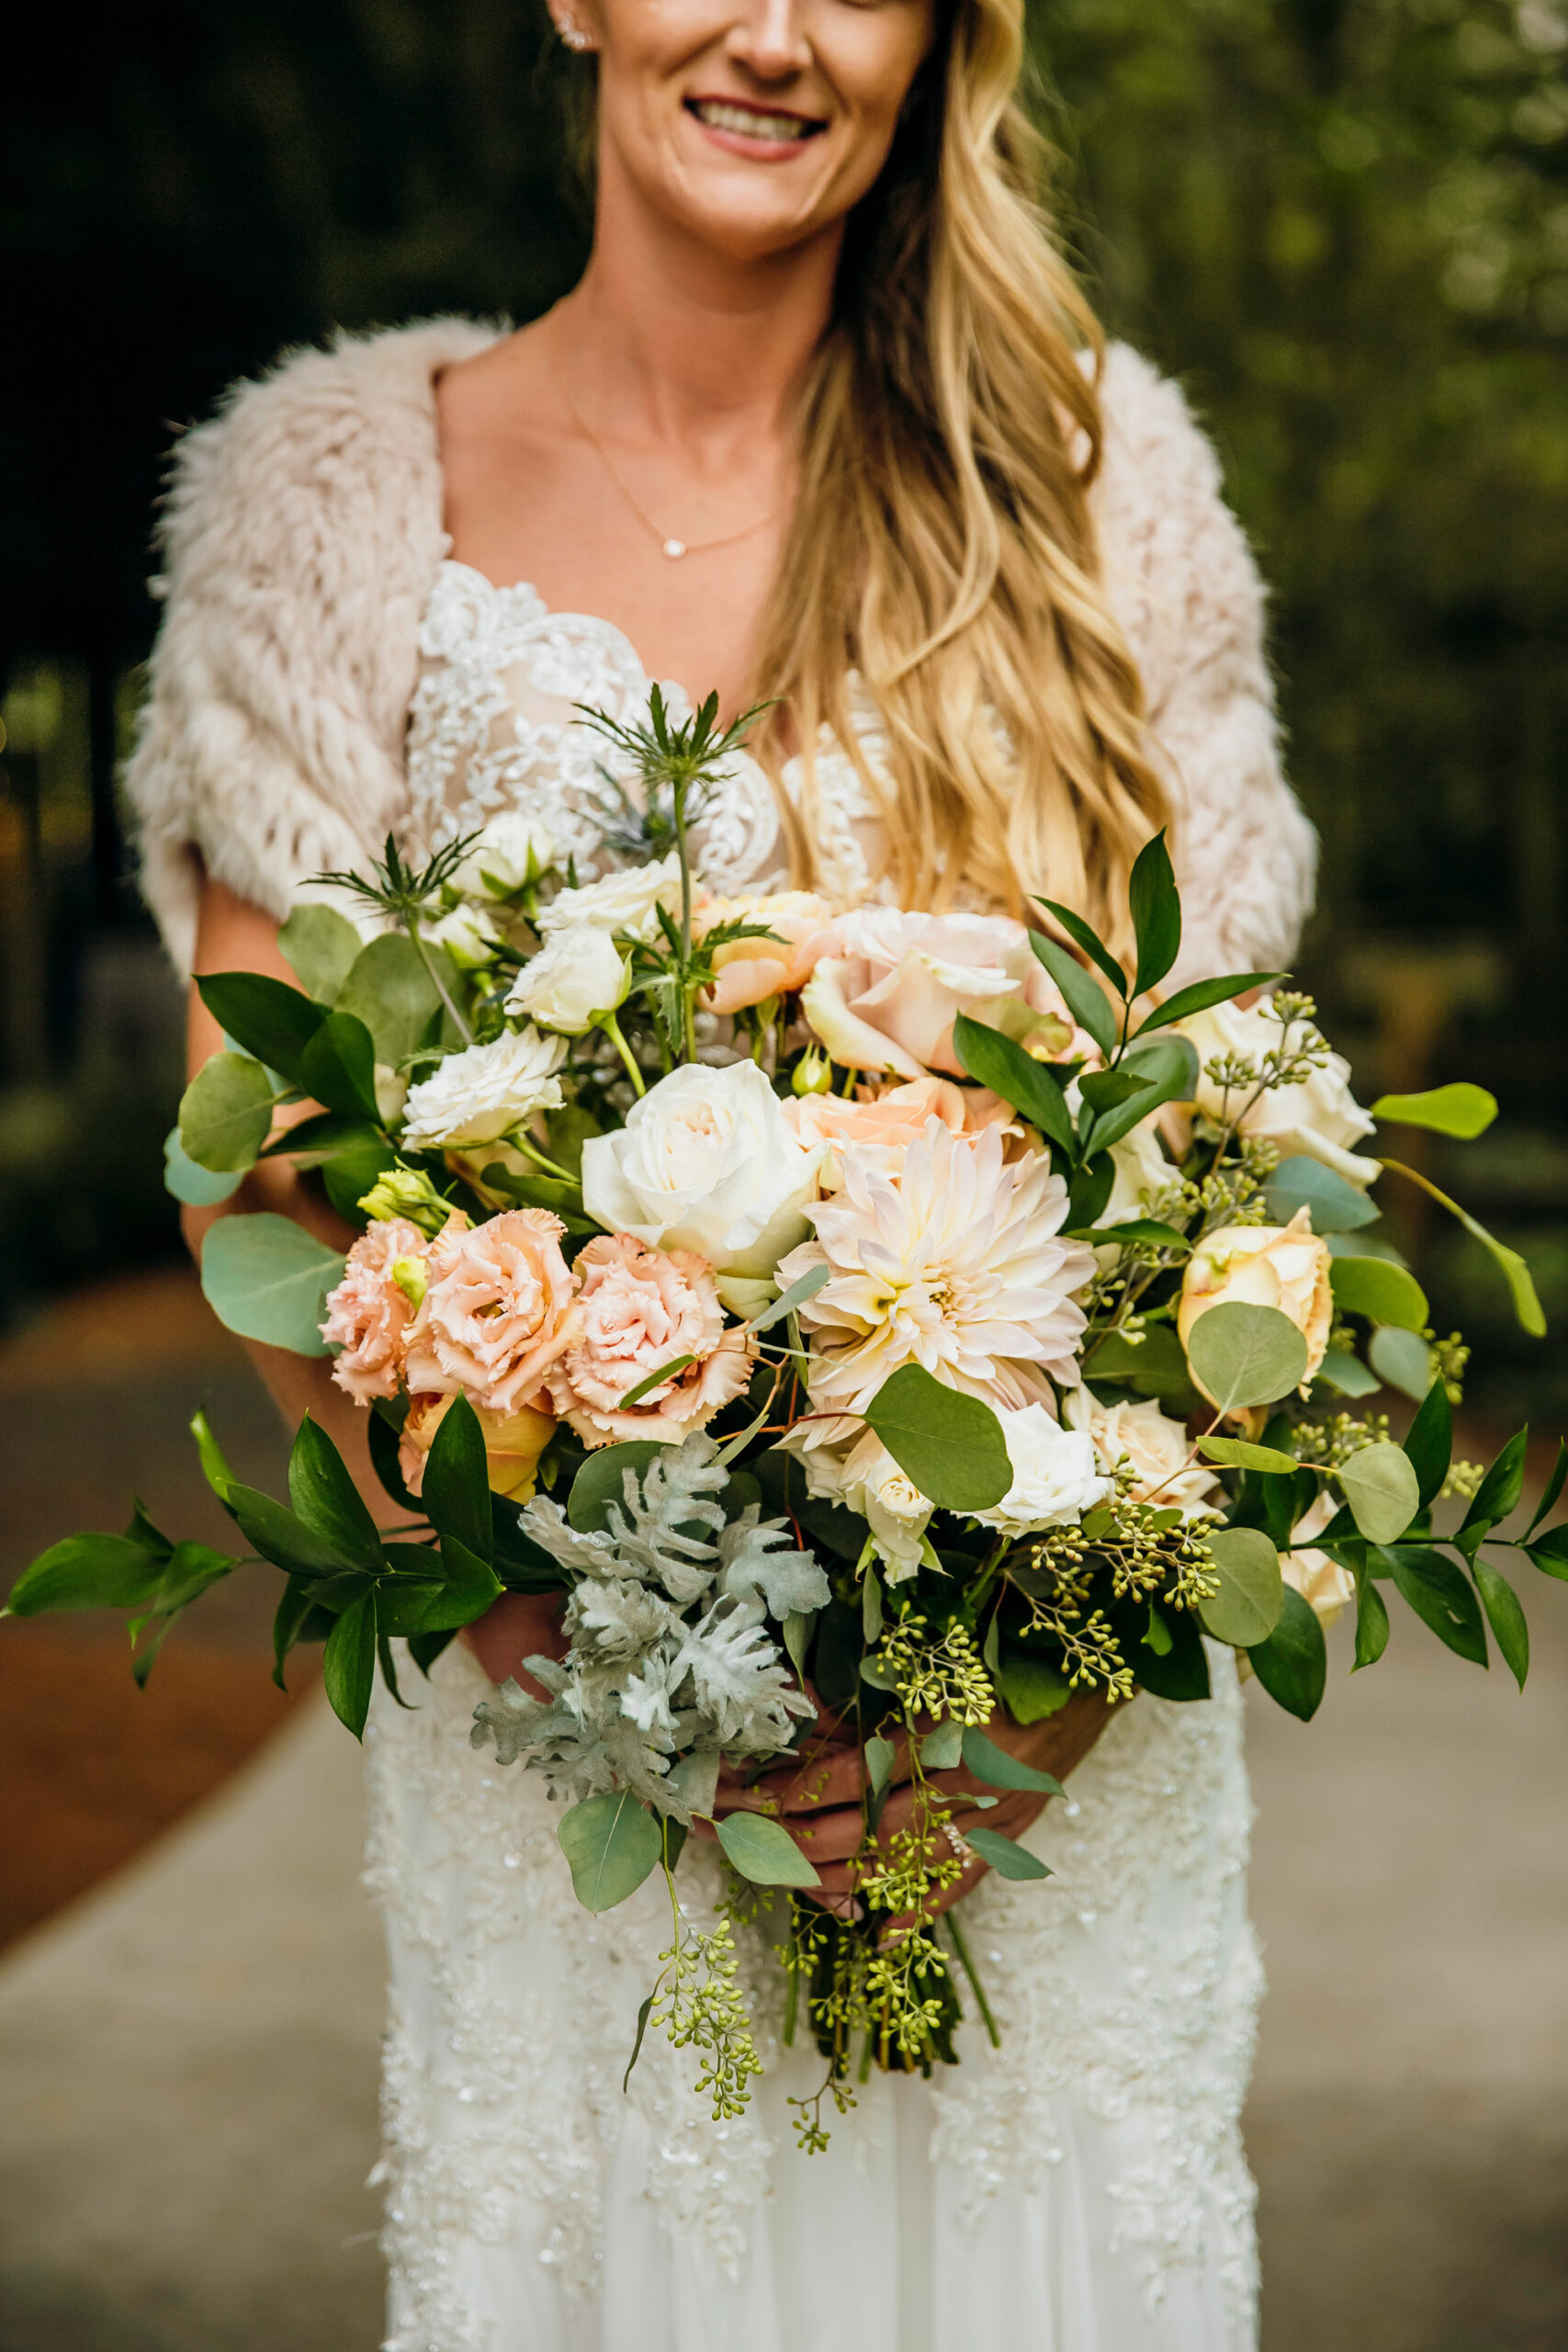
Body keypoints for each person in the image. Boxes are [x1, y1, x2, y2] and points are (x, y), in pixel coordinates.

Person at [129, 0, 1315, 2341]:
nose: (770, 33)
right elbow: (253, 1163)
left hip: (1038, 1790)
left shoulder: (1089, 485)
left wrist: (1038, 1700)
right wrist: (613, 1680)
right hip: (565, 1764)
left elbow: (1225, 1139)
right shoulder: (335, 497)